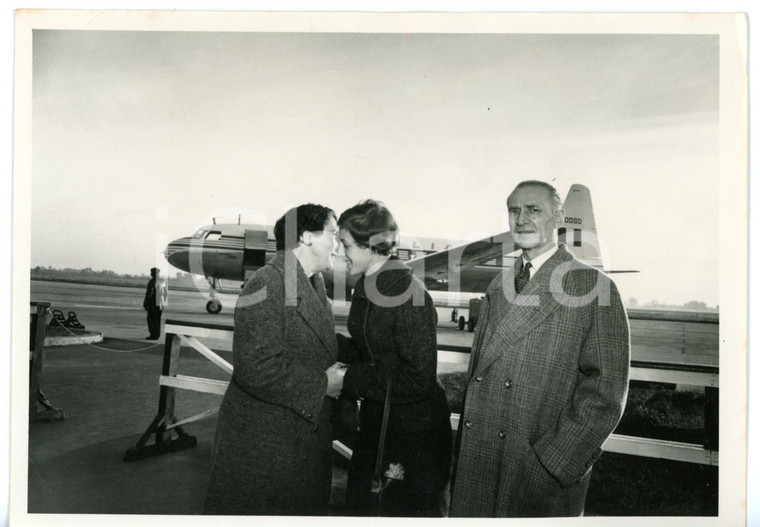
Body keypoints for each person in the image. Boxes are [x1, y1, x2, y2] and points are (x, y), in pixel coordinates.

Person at [449, 180, 630, 517]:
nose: (521, 219)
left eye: (534, 210)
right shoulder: (498, 285)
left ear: (558, 217)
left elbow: (606, 394)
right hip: (482, 458)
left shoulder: (594, 287)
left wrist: (553, 461)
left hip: (534, 471)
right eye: (514, 210)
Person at [203, 203, 345, 515]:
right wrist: (324, 384)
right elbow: (255, 367)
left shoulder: (311, 283)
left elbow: (313, 343)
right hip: (265, 447)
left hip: (295, 441)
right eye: (333, 235)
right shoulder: (266, 282)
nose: (338, 244)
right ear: (306, 237)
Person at [336, 200, 452, 517]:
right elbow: (370, 350)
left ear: (370, 245)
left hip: (414, 437)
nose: (339, 251)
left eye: (344, 243)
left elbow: (418, 377)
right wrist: (324, 342)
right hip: (380, 423)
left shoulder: (409, 293)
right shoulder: (368, 284)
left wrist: (347, 379)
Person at [142, 267, 167, 340]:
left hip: (153, 305)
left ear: (153, 274)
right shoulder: (162, 281)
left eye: (152, 273)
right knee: (157, 320)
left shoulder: (152, 282)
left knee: (151, 320)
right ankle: (157, 335)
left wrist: (146, 304)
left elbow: (149, 294)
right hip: (160, 305)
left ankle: (153, 335)